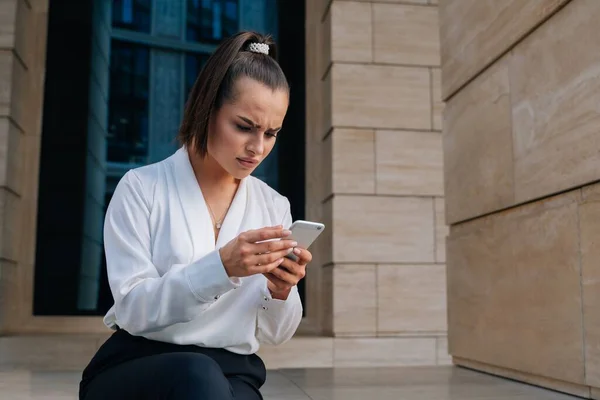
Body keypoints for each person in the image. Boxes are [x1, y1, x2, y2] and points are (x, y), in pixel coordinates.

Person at [78, 31, 311, 400]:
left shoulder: (272, 205)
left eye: (272, 133)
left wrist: (282, 290)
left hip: (233, 372)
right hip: (140, 367)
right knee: (198, 375)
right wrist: (221, 267)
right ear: (207, 109)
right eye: (244, 127)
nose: (257, 147)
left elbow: (275, 334)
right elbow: (134, 309)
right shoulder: (141, 188)